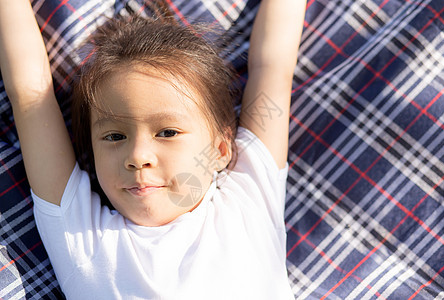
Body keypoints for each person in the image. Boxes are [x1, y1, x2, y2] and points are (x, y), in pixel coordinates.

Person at [0, 0, 306, 298]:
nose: (138, 157)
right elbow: (30, 96)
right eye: (115, 137)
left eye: (168, 132)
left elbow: (272, 69)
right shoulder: (83, 239)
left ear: (221, 149)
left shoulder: (250, 198)